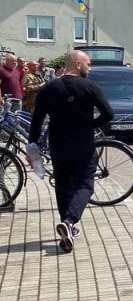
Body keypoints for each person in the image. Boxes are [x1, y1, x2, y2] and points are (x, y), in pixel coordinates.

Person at [28, 50, 114, 252]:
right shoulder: (90, 86)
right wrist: (91, 125)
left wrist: (32, 146)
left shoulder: (48, 88)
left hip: (58, 144)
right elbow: (108, 113)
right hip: (83, 144)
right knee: (85, 184)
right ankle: (69, 221)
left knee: (63, 185)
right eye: (88, 64)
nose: (89, 68)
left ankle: (67, 228)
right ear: (78, 64)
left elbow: (37, 120)